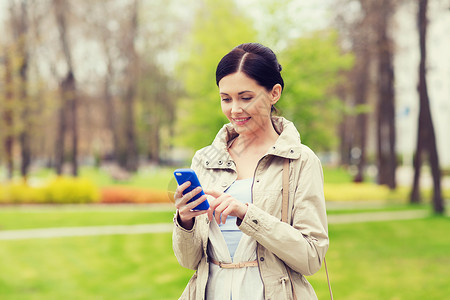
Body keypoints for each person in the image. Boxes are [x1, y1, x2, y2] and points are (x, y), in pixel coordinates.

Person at [172, 43, 329, 300]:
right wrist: (185, 219)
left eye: (246, 97)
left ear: (274, 93)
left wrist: (246, 213)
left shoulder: (301, 160)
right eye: (226, 99)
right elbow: (189, 261)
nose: (235, 109)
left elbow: (311, 258)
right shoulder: (204, 159)